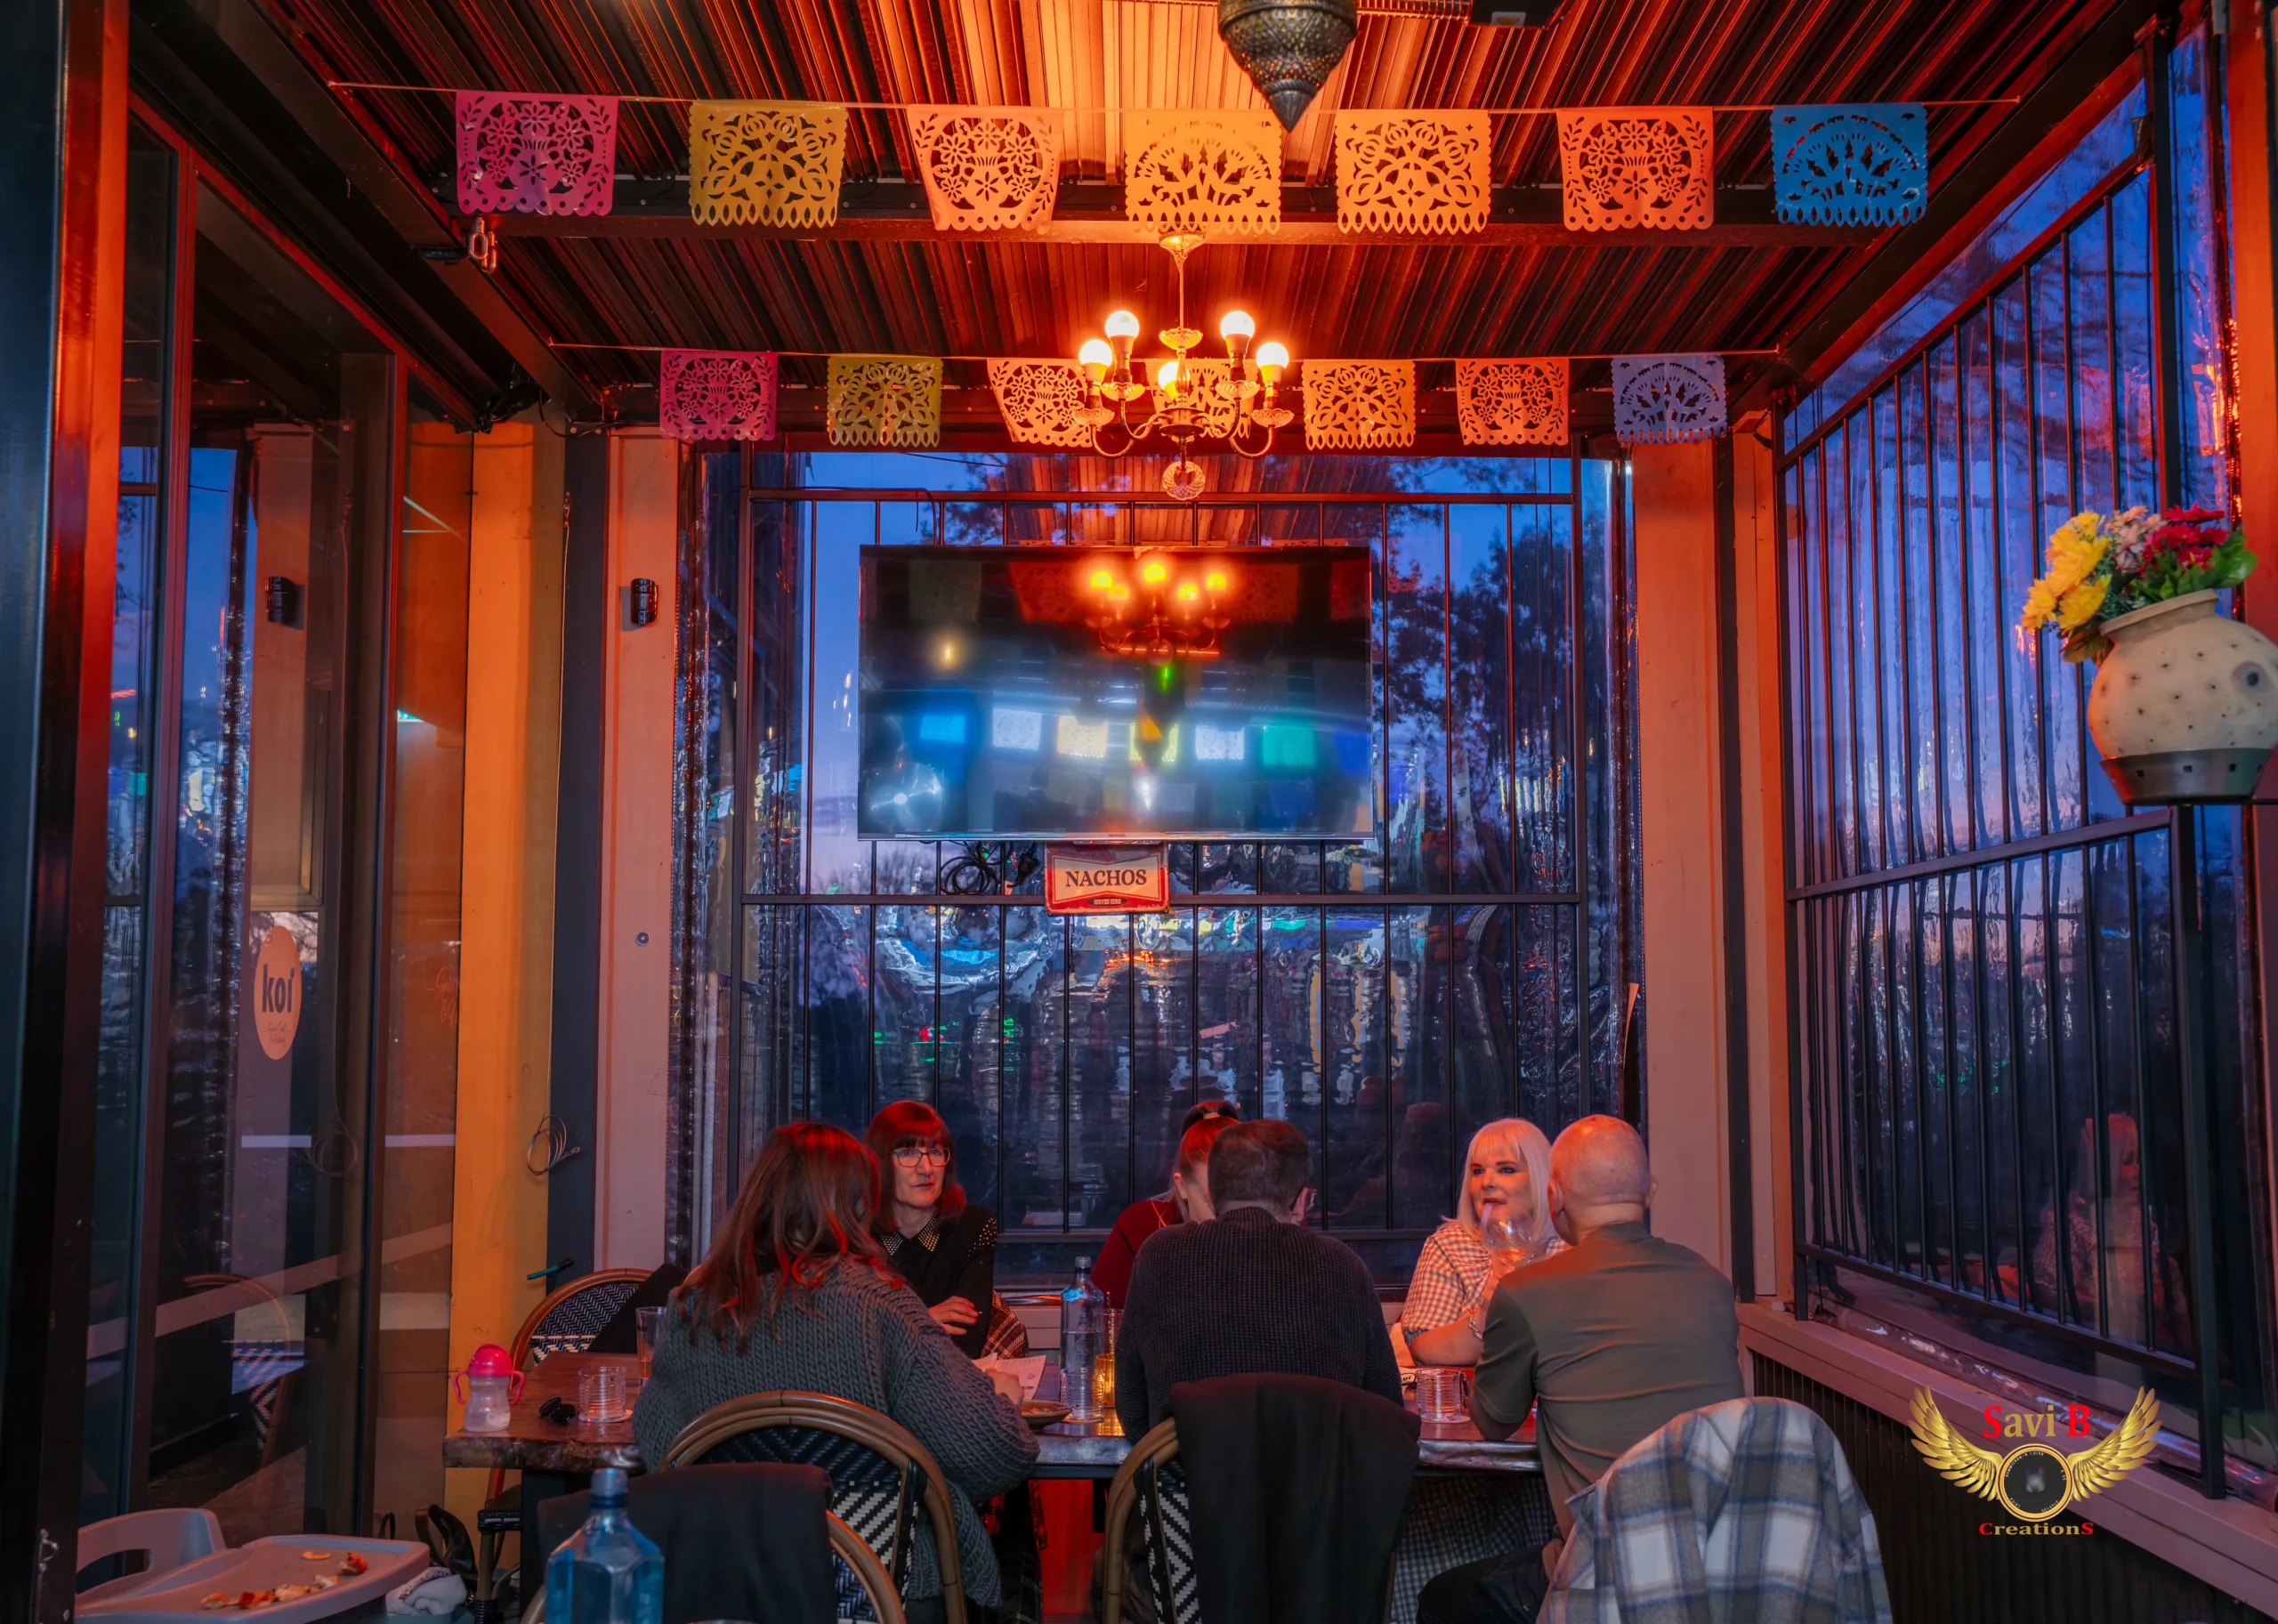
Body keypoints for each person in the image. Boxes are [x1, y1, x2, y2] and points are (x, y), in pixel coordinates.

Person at [634, 1123, 1037, 1624]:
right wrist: (1002, 1399)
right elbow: (994, 1458)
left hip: (729, 1588)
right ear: (854, 1206)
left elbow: (661, 1450)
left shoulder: (693, 1307)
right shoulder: (881, 1304)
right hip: (883, 1588)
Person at [1417, 1116, 1742, 1624]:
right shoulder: (1713, 1283)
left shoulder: (1528, 1291)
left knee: (1444, 1597)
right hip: (1723, 1559)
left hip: (1605, 1567)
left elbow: (1492, 1423)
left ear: (1554, 1196)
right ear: (1650, 1191)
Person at [1115, 1119, 1402, 1437]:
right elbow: (1387, 1409)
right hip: (1322, 1469)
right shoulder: (1342, 1266)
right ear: (1300, 1201)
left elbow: (1132, 1409)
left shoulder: (1160, 1257)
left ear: (1210, 1196)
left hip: (1191, 1469)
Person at [1403, 1118, 1565, 1367]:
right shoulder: (1451, 1245)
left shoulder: (1571, 1245)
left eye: (1506, 1170)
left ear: (1540, 1177)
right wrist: (1485, 1315)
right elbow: (1423, 1349)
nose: (1487, 1182)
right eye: (1478, 1171)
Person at [2031, 1111, 2191, 1350]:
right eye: (2127, 1161)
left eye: (2139, 1160)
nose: (2137, 1170)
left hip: (2153, 1348)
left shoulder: (2143, 1222)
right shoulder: (2068, 1225)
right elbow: (2046, 1293)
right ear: (2102, 1166)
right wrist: (2107, 1309)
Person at [867, 1101, 998, 1358]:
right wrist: (923, 1320)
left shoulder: (972, 1227)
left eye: (935, 1153)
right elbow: (851, 1340)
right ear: (879, 1162)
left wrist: (894, 1328)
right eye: (908, 1153)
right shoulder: (859, 1235)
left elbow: (965, 1340)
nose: (926, 1169)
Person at [1093, 1097, 1240, 1308]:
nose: (1230, 1215)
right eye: (1213, 1200)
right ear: (1182, 1186)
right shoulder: (1142, 1230)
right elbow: (1104, 1317)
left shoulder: (1273, 1236)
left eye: (1240, 1198)